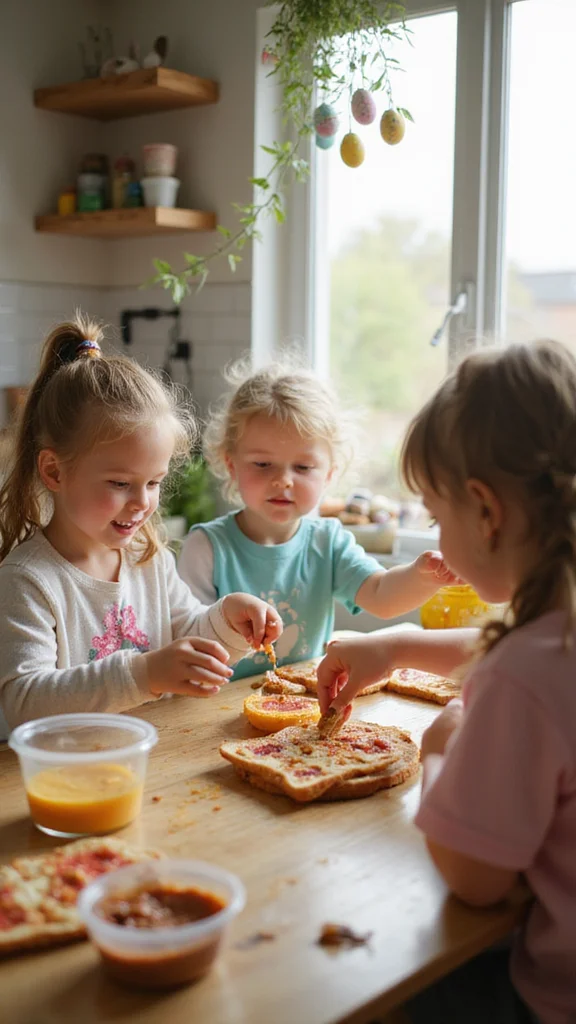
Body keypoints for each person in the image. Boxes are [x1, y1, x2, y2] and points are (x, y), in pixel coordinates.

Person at [317, 339, 576, 1024]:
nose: (435, 530)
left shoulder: (521, 679)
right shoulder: (555, 638)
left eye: (436, 514)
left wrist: (440, 749)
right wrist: (394, 646)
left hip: (551, 1001)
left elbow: (475, 880)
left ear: (486, 512)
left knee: (365, 987)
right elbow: (514, 653)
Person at [0, 317, 282, 729]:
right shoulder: (28, 580)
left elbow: (187, 632)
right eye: (120, 483)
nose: (142, 502)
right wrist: (143, 675)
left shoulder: (147, 559)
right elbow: (24, 700)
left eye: (154, 482)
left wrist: (229, 620)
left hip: (149, 760)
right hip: (66, 775)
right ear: (55, 472)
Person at [178, 361, 457, 679]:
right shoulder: (205, 548)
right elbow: (188, 640)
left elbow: (381, 597)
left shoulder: (329, 541)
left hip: (306, 707)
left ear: (329, 474)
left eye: (303, 467)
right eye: (263, 463)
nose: (283, 480)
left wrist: (424, 576)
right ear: (231, 465)